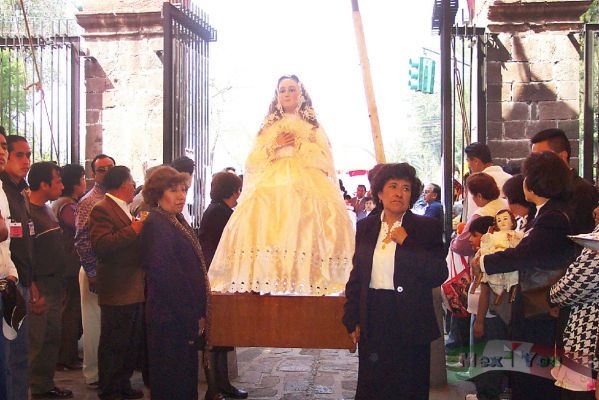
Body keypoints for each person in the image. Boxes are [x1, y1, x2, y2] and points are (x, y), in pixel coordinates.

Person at [208, 74, 354, 295]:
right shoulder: (268, 126)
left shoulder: (313, 127)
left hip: (307, 180)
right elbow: (252, 161)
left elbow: (326, 161)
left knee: (304, 222)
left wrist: (300, 144)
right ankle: (268, 276)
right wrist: (274, 146)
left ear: (301, 93)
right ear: (277, 96)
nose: (287, 94)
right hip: (271, 182)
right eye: (282, 90)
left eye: (291, 89)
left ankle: (306, 277)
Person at [472, 151, 578, 400]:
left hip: (540, 308)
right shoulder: (547, 212)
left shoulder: (553, 217)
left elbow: (524, 255)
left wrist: (485, 261)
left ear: (534, 181)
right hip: (536, 305)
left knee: (533, 378)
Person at [342, 163, 448, 399]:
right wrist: (351, 317)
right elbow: (357, 275)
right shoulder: (366, 226)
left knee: (408, 387)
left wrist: (408, 244)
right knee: (373, 386)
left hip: (410, 318)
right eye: (392, 186)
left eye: (406, 188)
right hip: (374, 317)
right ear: (380, 193)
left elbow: (438, 273)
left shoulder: (426, 228)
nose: (399, 193)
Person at [140, 166, 212, 400]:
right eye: (173, 190)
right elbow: (167, 276)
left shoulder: (173, 218)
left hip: (178, 316)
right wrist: (191, 315)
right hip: (170, 317)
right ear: (158, 193)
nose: (181, 195)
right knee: (172, 381)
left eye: (183, 189)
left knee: (183, 379)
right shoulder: (157, 223)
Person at [90, 166, 144, 400]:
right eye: (132, 182)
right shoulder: (102, 208)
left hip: (132, 285)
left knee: (129, 341)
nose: (134, 186)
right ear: (123, 184)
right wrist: (133, 230)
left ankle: (122, 383)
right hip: (117, 287)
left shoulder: (126, 208)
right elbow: (101, 245)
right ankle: (109, 388)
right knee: (114, 341)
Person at [27, 162, 73, 399]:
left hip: (56, 284)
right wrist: (33, 286)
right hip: (40, 285)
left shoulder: (46, 209)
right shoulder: (27, 212)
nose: (62, 186)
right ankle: (28, 388)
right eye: (58, 181)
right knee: (36, 341)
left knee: (52, 338)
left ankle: (44, 385)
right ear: (43, 184)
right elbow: (25, 253)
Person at [198, 171, 247, 399]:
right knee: (216, 338)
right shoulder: (220, 213)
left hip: (218, 278)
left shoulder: (218, 210)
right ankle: (216, 388)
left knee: (221, 338)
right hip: (217, 280)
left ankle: (222, 385)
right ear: (233, 191)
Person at [1, 135, 41, 399]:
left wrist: (29, 280)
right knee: (6, 361)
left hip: (17, 280)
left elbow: (21, 242)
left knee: (19, 356)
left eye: (28, 155)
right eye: (20, 154)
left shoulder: (17, 192)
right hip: (6, 283)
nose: (26, 161)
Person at [549, 205, 599, 400]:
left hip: (587, 337)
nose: (594, 210)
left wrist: (551, 296)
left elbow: (576, 282)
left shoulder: (595, 243)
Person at [74, 153, 115, 387]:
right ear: (93, 173)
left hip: (113, 271)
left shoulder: (116, 197)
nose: (107, 172)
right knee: (93, 324)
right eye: (102, 169)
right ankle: (93, 374)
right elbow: (81, 240)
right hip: (94, 269)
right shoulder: (89, 201)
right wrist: (91, 272)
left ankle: (107, 370)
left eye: (111, 167)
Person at [530, 128, 598, 235]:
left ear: (562, 156)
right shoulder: (540, 189)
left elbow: (580, 236)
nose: (536, 163)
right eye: (533, 158)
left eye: (542, 157)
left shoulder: (582, 190)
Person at [51, 164, 86, 371]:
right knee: (70, 311)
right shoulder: (67, 206)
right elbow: (81, 228)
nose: (85, 182)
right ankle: (65, 355)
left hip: (66, 264)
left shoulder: (63, 203)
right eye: (82, 178)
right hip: (70, 265)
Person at [0, 129, 20, 400]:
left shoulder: (2, 190)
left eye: (3, 145)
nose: (2, 151)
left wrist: (11, 273)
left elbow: (5, 242)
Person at [464, 142, 511, 219]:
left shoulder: (476, 183)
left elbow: (472, 214)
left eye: (468, 161)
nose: (468, 165)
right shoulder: (509, 178)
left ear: (476, 161)